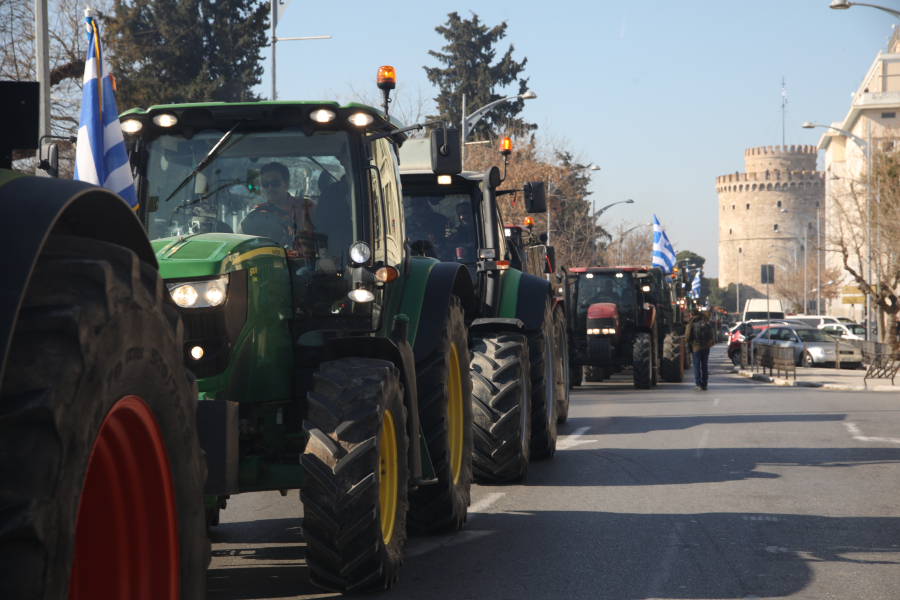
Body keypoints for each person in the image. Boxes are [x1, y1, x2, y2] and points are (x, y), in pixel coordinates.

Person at [685, 307, 714, 391]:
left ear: (690, 314)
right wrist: (701, 313)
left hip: (696, 348)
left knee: (696, 366)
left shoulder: (690, 324)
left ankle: (699, 384)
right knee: (704, 365)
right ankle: (705, 384)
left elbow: (687, 337)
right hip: (706, 346)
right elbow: (708, 313)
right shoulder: (704, 320)